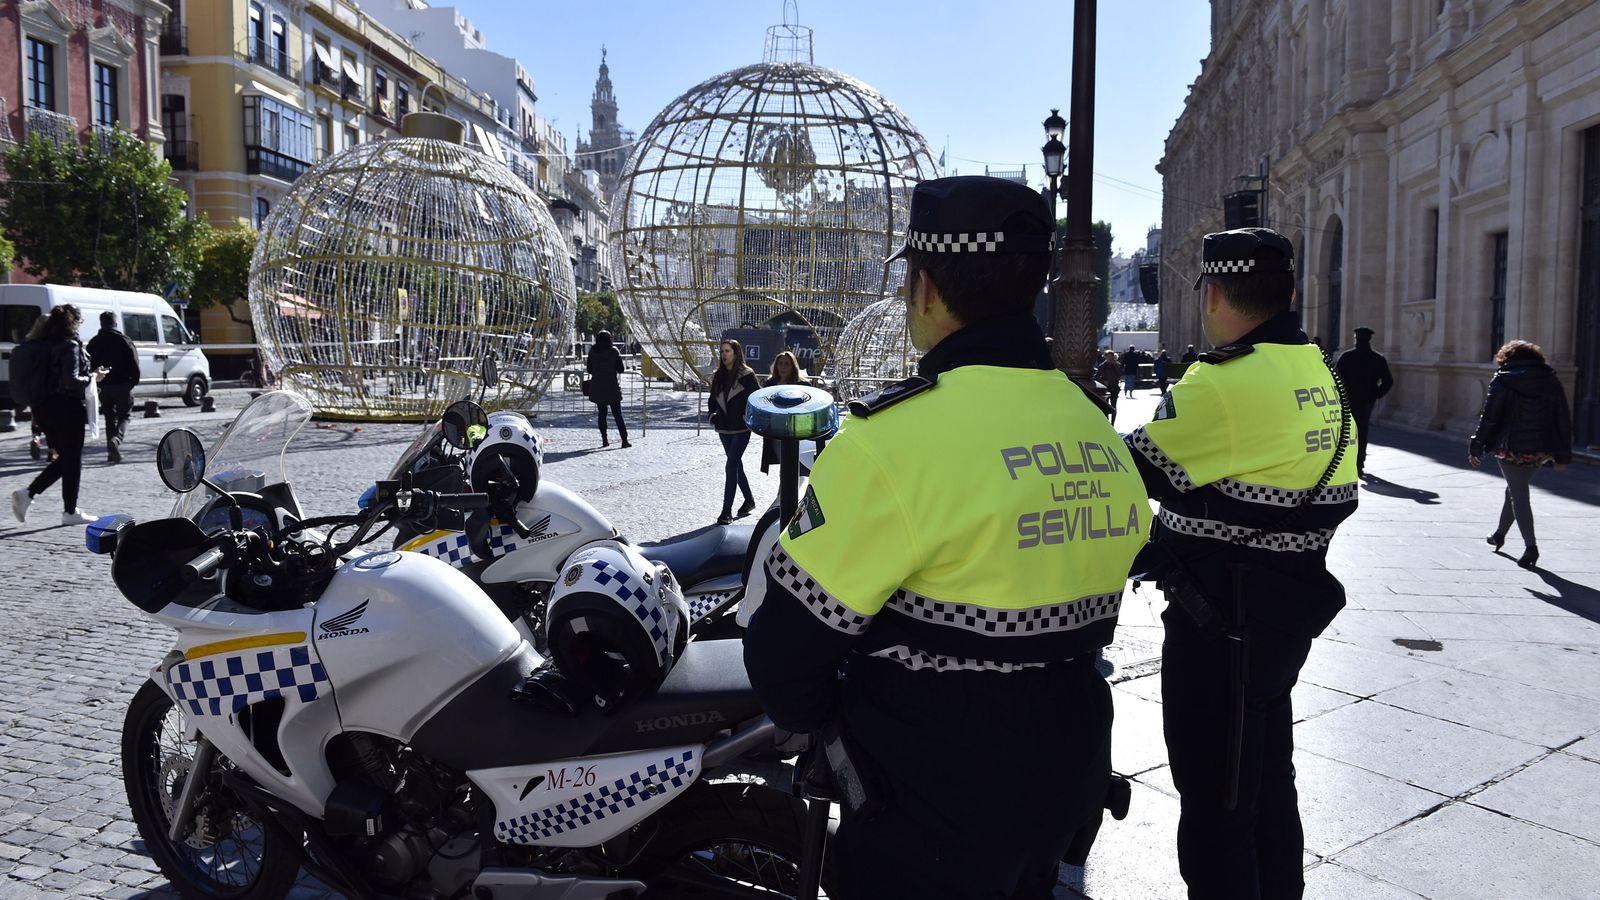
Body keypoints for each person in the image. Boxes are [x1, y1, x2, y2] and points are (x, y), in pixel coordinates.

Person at [745, 176, 1151, 899]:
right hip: (1061, 797)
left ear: (925, 287)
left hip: (925, 820)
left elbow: (784, 658)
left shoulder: (891, 442)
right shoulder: (1096, 431)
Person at [1124, 227, 1358, 900]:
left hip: (1218, 621)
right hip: (1283, 615)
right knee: (1265, 785)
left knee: (1215, 801)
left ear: (1216, 294)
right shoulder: (1318, 370)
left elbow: (1138, 466)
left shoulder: (1223, 384)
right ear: (1288, 293)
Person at [1469, 340, 1571, 570]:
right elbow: (1562, 418)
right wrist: (1562, 454)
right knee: (1515, 489)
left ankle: (1530, 547)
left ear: (1507, 357)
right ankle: (1498, 535)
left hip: (1510, 446)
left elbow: (1490, 417)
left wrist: (1476, 445)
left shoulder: (1503, 378)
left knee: (1519, 493)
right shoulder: (1551, 380)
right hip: (1541, 447)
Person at [12, 305, 105, 526]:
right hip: (65, 409)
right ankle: (65, 509)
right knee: (72, 459)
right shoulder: (69, 345)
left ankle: (35, 497)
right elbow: (70, 380)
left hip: (44, 409)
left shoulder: (45, 343)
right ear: (74, 323)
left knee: (68, 459)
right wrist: (93, 377)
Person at [709, 339, 759, 524]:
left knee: (731, 466)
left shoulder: (747, 375)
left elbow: (756, 398)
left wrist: (748, 417)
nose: (723, 354)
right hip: (723, 428)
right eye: (722, 351)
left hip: (741, 428)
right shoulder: (718, 375)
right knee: (736, 465)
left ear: (736, 353)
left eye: (727, 351)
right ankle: (749, 500)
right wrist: (712, 415)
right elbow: (712, 400)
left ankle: (726, 511)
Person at [1334, 326, 1394, 477]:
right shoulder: (1377, 358)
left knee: (1346, 433)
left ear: (1356, 339)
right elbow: (1388, 381)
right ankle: (1359, 463)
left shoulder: (1346, 357)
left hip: (1348, 400)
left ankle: (1348, 462)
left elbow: (1336, 379)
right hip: (1367, 400)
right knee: (1362, 431)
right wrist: (1377, 394)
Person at [87, 311, 139, 464]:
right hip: (123, 384)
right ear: (115, 323)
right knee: (124, 415)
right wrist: (133, 381)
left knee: (109, 418)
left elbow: (89, 364)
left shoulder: (94, 342)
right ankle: (116, 440)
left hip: (103, 386)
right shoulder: (125, 340)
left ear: (101, 323)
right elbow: (134, 363)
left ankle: (111, 450)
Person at [759, 349, 806, 475]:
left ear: (793, 366)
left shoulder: (802, 385)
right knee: (786, 466)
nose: (783, 367)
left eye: (787, 364)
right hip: (776, 431)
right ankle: (783, 493)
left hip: (798, 431)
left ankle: (785, 493)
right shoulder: (769, 385)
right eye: (780, 364)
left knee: (796, 467)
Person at [585, 330, 630, 448]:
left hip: (598, 387)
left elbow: (589, 369)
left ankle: (604, 440)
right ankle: (624, 440)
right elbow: (621, 369)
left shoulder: (592, 352)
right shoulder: (614, 351)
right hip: (612, 387)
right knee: (618, 414)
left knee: (602, 415)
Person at [1096, 348, 1124, 424]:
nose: (1110, 359)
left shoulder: (1117, 365)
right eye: (1108, 357)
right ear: (1105, 357)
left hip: (1114, 387)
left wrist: (1115, 365)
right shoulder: (1102, 366)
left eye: (1111, 357)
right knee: (1105, 406)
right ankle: (1107, 422)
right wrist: (1103, 381)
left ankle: (1113, 423)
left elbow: (1120, 374)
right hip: (1106, 387)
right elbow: (1097, 377)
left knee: (1114, 406)